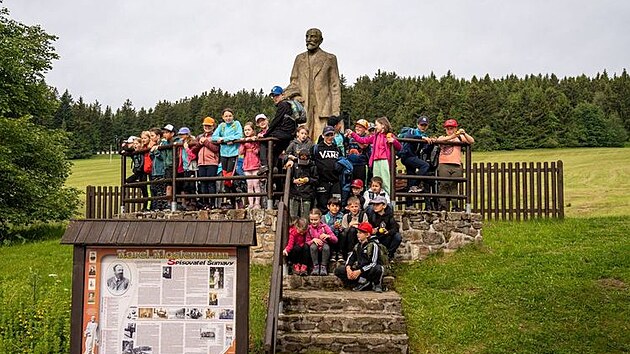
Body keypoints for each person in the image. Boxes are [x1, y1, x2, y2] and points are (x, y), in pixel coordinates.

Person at [284, 28, 341, 142]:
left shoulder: (330, 58)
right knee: (303, 137)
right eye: (307, 37)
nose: (309, 40)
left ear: (321, 40)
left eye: (313, 37)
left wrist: (335, 112)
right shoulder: (300, 59)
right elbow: (294, 81)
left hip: (323, 105)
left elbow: (335, 86)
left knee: (322, 138)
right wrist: (295, 97)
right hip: (304, 105)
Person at [346, 116, 402, 196]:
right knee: (376, 181)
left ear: (383, 125)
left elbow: (399, 147)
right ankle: (377, 198)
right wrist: (353, 134)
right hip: (376, 160)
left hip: (384, 160)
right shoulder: (375, 136)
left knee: (385, 181)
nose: (375, 127)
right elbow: (363, 140)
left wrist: (394, 141)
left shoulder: (389, 135)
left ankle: (388, 198)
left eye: (377, 125)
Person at [432, 118, 475, 211]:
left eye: (452, 128)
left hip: (456, 164)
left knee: (453, 185)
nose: (449, 130)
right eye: (448, 128)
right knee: (443, 185)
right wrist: (453, 136)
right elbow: (442, 141)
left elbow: (471, 141)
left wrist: (464, 133)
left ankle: (455, 206)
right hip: (444, 164)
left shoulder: (459, 138)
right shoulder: (442, 137)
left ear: (456, 128)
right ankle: (442, 206)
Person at [334, 221, 384, 292]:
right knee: (339, 270)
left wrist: (360, 271)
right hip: (359, 271)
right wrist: (348, 268)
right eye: (357, 232)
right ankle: (361, 282)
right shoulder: (357, 246)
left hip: (368, 270)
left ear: (367, 235)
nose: (358, 235)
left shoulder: (373, 245)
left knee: (377, 268)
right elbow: (351, 257)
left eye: (360, 233)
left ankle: (376, 284)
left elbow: (373, 263)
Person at [258, 86, 297, 175]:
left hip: (284, 133)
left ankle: (264, 165)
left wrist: (265, 135)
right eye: (273, 96)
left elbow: (276, 121)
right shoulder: (288, 105)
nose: (275, 98)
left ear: (282, 95)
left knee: (263, 141)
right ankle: (274, 168)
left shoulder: (282, 105)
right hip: (289, 134)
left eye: (277, 95)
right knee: (275, 150)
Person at [212, 108, 243, 208]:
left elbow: (239, 135)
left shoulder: (236, 124)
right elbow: (214, 137)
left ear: (233, 116)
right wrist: (222, 140)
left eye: (230, 116)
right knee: (225, 178)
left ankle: (235, 199)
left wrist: (224, 139)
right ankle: (231, 200)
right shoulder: (222, 126)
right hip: (223, 154)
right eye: (226, 116)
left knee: (230, 177)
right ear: (223, 117)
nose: (228, 118)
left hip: (233, 153)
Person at [192, 117, 220, 209]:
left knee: (211, 183)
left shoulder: (215, 136)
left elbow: (216, 149)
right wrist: (200, 143)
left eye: (209, 125)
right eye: (205, 125)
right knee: (203, 183)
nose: (207, 127)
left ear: (213, 126)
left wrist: (206, 142)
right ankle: (205, 203)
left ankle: (212, 203)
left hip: (212, 162)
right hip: (201, 163)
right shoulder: (199, 137)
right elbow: (193, 150)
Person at [399, 116, 432, 193]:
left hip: (413, 157)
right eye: (421, 125)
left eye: (425, 125)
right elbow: (408, 137)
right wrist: (421, 138)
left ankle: (409, 203)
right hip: (406, 156)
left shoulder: (425, 136)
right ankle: (415, 184)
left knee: (411, 176)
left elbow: (426, 150)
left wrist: (431, 143)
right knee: (425, 165)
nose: (423, 127)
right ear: (417, 125)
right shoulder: (412, 131)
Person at [312, 126, 342, 210]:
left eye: (331, 135)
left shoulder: (337, 149)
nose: (329, 137)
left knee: (337, 205)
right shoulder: (316, 148)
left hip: (335, 181)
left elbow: (342, 161)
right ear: (322, 136)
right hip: (322, 181)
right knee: (323, 205)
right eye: (327, 135)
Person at [366, 196, 402, 261]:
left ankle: (388, 255)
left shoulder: (389, 215)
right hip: (376, 237)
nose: (375, 206)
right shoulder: (371, 215)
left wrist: (388, 232)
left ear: (384, 206)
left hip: (386, 237)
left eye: (377, 204)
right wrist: (372, 230)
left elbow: (395, 228)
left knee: (397, 237)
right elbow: (367, 227)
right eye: (374, 204)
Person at [286, 149, 318, 218]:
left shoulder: (312, 166)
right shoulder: (294, 164)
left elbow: (316, 180)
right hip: (294, 194)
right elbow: (286, 179)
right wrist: (294, 181)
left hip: (307, 195)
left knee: (305, 218)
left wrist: (308, 180)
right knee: (293, 217)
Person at [306, 208, 337, 276]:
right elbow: (306, 241)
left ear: (320, 219)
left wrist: (328, 236)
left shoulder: (324, 226)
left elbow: (335, 239)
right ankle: (315, 267)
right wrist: (313, 240)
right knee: (313, 247)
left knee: (326, 248)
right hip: (314, 248)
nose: (313, 222)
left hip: (324, 245)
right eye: (311, 220)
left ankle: (324, 266)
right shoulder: (309, 228)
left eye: (316, 220)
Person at [238, 122, 262, 209]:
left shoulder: (255, 140)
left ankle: (257, 203)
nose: (247, 131)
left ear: (253, 130)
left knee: (256, 184)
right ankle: (251, 203)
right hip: (247, 165)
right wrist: (243, 143)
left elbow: (257, 151)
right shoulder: (244, 141)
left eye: (249, 129)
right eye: (245, 130)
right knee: (249, 185)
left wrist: (253, 143)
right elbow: (240, 152)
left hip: (255, 164)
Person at [339, 196, 369, 261]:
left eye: (356, 206)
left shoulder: (363, 215)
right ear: (348, 208)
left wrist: (358, 227)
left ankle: (351, 252)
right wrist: (350, 225)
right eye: (352, 207)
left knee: (353, 230)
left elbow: (366, 228)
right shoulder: (346, 216)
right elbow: (344, 230)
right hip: (347, 239)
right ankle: (342, 252)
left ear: (359, 207)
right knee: (347, 231)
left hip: (359, 236)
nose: (354, 209)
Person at [347, 119, 371, 184]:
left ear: (365, 129)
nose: (357, 128)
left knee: (361, 184)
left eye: (360, 127)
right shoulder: (351, 138)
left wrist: (355, 137)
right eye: (356, 127)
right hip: (350, 164)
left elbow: (363, 146)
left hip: (361, 165)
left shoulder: (367, 137)